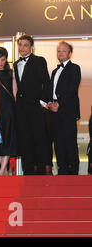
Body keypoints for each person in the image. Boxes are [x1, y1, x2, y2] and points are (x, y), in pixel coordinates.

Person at [14, 34, 51, 175]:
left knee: (39, 141)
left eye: (25, 45)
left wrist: (42, 102)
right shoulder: (16, 64)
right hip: (21, 109)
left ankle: (41, 174)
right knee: (24, 141)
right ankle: (27, 174)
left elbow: (47, 83)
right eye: (20, 45)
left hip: (36, 108)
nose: (22, 48)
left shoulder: (39, 61)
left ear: (31, 47)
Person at [48, 41, 81, 175]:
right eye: (58, 50)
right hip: (54, 111)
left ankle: (73, 173)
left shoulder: (75, 68)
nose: (60, 53)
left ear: (70, 53)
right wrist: (49, 103)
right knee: (58, 142)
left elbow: (71, 89)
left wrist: (59, 103)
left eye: (63, 50)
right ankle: (62, 171)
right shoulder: (55, 71)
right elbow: (51, 91)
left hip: (67, 110)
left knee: (69, 142)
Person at [0, 47, 18, 175]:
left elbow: (14, 93)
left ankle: (2, 171)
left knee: (8, 138)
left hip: (8, 109)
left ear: (6, 60)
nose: (0, 62)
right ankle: (4, 170)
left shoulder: (10, 73)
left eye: (3, 60)